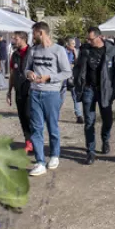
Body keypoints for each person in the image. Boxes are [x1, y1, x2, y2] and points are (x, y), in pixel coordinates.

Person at [24, 22, 72, 177]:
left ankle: (55, 155)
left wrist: (49, 78)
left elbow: (67, 72)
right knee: (36, 128)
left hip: (51, 94)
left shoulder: (59, 50)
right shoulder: (33, 50)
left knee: (52, 126)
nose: (33, 36)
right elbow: (26, 68)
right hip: (35, 93)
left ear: (41, 33)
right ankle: (40, 162)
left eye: (34, 33)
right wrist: (29, 74)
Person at [75, 26, 115, 165]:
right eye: (87, 39)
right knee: (89, 121)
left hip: (105, 90)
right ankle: (90, 151)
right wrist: (77, 81)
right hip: (88, 90)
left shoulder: (111, 51)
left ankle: (105, 139)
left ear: (99, 37)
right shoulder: (84, 50)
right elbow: (78, 67)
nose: (88, 41)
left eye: (91, 39)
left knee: (107, 119)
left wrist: (113, 86)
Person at [7, 30, 33, 154]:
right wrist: (9, 91)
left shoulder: (32, 52)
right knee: (22, 116)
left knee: (29, 115)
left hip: (30, 89)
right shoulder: (14, 54)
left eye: (15, 39)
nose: (13, 41)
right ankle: (28, 142)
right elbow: (12, 73)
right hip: (19, 90)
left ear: (23, 39)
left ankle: (34, 141)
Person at [60, 37, 83, 124]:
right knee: (61, 97)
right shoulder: (63, 51)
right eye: (72, 44)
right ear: (68, 44)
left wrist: (75, 54)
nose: (74, 45)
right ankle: (54, 113)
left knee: (75, 96)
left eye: (74, 44)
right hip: (64, 78)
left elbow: (77, 63)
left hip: (72, 77)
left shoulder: (75, 52)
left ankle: (79, 115)